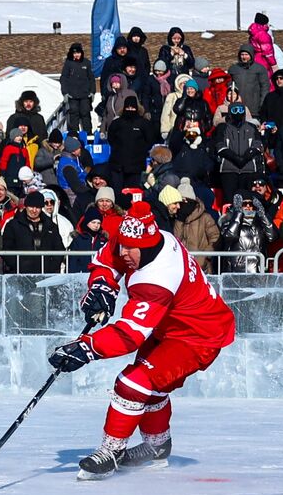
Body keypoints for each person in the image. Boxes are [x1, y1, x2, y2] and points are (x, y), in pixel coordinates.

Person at [52, 202, 236, 479]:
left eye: (130, 249)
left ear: (147, 247)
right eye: (122, 245)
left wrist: (86, 348)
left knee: (132, 383)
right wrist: (103, 285)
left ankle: (111, 451)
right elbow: (107, 260)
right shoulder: (143, 236)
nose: (123, 252)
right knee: (150, 386)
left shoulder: (157, 280)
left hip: (198, 336)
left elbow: (130, 335)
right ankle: (157, 446)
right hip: (168, 328)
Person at [0, 193, 64, 274]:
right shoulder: (13, 225)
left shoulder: (50, 226)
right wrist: (18, 266)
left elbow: (59, 249)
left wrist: (50, 267)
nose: (34, 210)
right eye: (31, 207)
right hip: (20, 274)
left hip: (45, 274)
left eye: (37, 207)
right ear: (25, 206)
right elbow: (6, 249)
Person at [215, 102, 265, 205]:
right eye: (234, 110)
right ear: (229, 113)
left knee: (247, 200)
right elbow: (219, 146)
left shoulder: (251, 127)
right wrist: (235, 158)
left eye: (240, 110)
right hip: (229, 169)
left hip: (248, 168)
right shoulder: (222, 127)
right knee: (229, 200)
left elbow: (258, 144)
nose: (238, 113)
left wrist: (246, 157)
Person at [60, 44, 95, 134]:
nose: (77, 55)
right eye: (74, 53)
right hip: (72, 95)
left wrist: (92, 91)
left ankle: (88, 134)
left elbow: (91, 78)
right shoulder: (68, 63)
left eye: (78, 53)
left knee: (85, 113)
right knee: (74, 114)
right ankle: (73, 134)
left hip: (85, 95)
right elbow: (63, 78)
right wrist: (65, 92)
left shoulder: (86, 62)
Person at [228, 43, 270, 117]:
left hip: (254, 107)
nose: (244, 57)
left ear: (251, 55)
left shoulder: (259, 69)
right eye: (242, 55)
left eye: (246, 55)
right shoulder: (233, 69)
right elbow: (228, 87)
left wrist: (262, 104)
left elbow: (265, 87)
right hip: (237, 107)